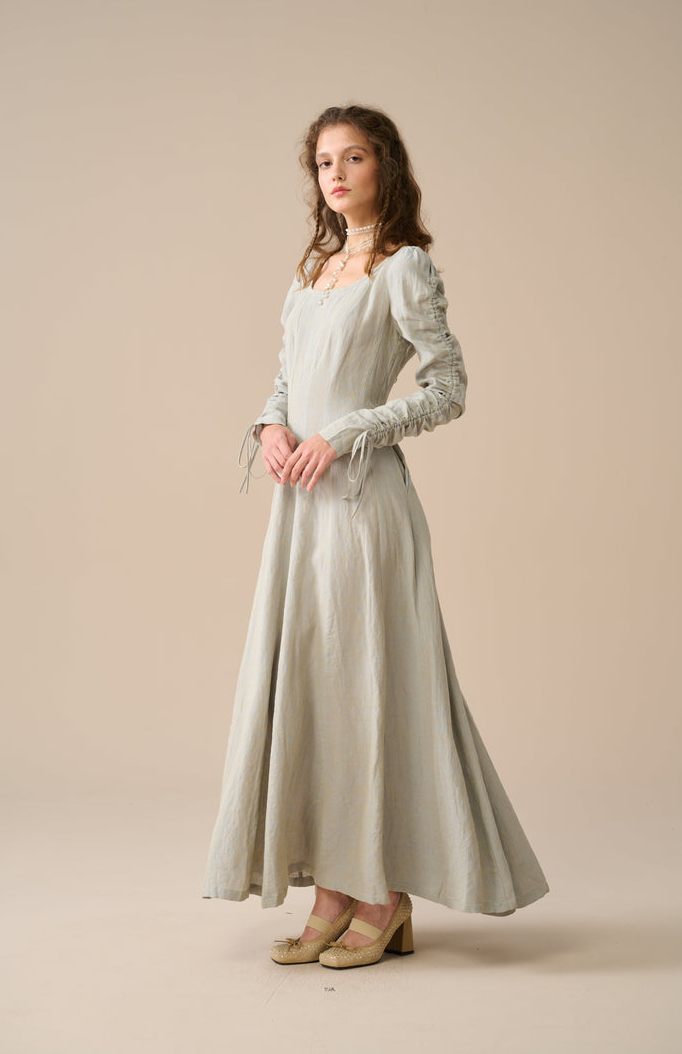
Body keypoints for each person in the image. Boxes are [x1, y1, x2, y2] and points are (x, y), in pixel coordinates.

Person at [202, 104, 549, 970]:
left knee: (366, 691)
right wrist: (270, 426)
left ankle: (382, 895)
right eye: (324, 161)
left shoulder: (405, 268)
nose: (336, 173)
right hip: (301, 509)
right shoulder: (313, 271)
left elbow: (447, 388)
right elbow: (287, 380)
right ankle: (332, 892)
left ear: (384, 167)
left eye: (353, 157)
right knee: (314, 692)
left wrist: (348, 430)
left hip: (363, 504)